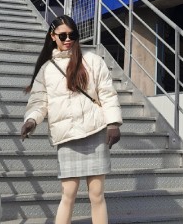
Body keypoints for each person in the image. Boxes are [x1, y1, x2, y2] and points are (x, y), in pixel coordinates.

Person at [21, 15, 122, 224]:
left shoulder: (92, 60)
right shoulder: (47, 69)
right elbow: (39, 101)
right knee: (68, 194)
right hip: (67, 136)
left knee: (97, 194)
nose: (68, 39)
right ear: (52, 36)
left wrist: (113, 123)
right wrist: (31, 120)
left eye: (72, 35)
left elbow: (107, 93)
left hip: (95, 131)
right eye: (63, 35)